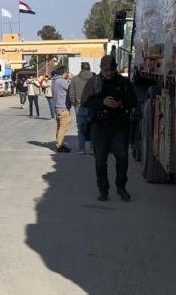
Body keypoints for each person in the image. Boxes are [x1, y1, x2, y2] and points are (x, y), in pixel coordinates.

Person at [84, 55, 138, 202]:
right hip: (99, 126)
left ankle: (121, 187)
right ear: (101, 69)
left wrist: (121, 104)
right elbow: (85, 101)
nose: (109, 73)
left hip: (119, 125)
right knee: (100, 161)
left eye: (112, 70)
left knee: (122, 157)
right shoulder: (93, 82)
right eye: (106, 70)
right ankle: (103, 190)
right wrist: (102, 102)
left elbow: (133, 101)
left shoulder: (124, 82)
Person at [69, 61, 96, 154]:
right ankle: (92, 148)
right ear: (89, 68)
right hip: (93, 105)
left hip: (79, 105)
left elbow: (71, 93)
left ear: (81, 68)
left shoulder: (75, 79)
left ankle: (81, 148)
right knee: (93, 126)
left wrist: (74, 103)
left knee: (81, 127)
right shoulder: (95, 78)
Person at [50, 66, 73, 153]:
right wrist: (71, 79)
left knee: (60, 127)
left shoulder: (55, 80)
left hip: (58, 107)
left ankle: (60, 143)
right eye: (68, 72)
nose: (68, 74)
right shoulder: (61, 81)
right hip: (63, 107)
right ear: (64, 72)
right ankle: (59, 145)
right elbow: (70, 89)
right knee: (63, 127)